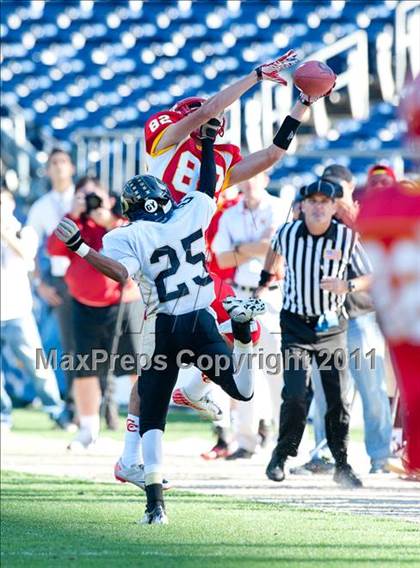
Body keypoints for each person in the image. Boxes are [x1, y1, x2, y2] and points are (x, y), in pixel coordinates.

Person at [54, 157, 266, 524]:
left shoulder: (127, 234)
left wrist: (81, 247)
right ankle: (242, 332)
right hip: (201, 319)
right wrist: (207, 144)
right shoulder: (192, 211)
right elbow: (206, 183)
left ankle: (155, 508)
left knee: (153, 418)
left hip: (164, 327)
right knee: (244, 390)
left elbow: (120, 274)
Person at [259, 179, 372, 488]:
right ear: (303, 205)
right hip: (295, 322)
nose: (319, 206)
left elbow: (369, 276)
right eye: (314, 200)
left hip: (332, 325)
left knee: (336, 398)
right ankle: (281, 455)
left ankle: (342, 463)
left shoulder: (347, 237)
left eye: (326, 201)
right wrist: (267, 276)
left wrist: (346, 285)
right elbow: (273, 250)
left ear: (335, 206)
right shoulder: (288, 233)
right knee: (295, 392)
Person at [47, 177, 142, 449]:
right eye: (83, 196)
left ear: (109, 199)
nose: (90, 201)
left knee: (138, 367)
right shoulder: (75, 224)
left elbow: (135, 247)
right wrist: (73, 214)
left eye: (94, 196)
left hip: (124, 304)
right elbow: (53, 249)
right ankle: (88, 429)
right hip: (84, 306)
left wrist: (108, 221)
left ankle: (142, 427)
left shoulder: (121, 223)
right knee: (84, 370)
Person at [211, 173, 288, 459]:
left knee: (278, 369)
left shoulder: (279, 207)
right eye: (247, 177)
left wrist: (240, 248)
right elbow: (222, 258)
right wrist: (256, 246)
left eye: (256, 176)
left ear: (267, 178)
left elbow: (276, 250)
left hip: (273, 292)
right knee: (245, 368)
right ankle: (246, 440)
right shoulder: (230, 214)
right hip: (241, 293)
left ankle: (284, 440)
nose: (250, 182)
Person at [0, 188, 65, 427]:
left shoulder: (24, 231)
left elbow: (27, 254)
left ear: (11, 205)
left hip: (17, 310)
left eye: (2, 204)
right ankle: (3, 413)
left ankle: (55, 410)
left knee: (38, 366)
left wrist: (5, 234)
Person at [26, 148, 76, 420]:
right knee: (53, 343)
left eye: (62, 162)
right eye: (53, 163)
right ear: (46, 170)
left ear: (72, 167)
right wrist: (40, 285)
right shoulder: (41, 206)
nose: (58, 167)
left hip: (85, 277)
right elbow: (30, 249)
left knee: (86, 343)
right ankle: (59, 401)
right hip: (57, 280)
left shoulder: (82, 199)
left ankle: (89, 403)